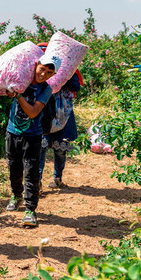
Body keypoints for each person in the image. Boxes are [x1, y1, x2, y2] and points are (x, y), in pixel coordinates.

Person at [5, 54, 61, 227]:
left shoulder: (46, 90)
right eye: (42, 69)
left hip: (33, 136)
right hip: (12, 132)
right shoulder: (23, 79)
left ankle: (30, 209)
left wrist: (18, 96)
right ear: (36, 64)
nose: (44, 74)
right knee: (14, 168)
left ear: (53, 75)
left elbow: (33, 113)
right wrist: (10, 91)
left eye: (49, 72)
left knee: (31, 172)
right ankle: (16, 196)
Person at [37, 43, 83, 189]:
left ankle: (57, 178)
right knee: (40, 147)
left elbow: (76, 87)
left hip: (63, 112)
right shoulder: (40, 64)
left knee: (60, 148)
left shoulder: (69, 68)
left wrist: (65, 75)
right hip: (43, 109)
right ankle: (37, 180)